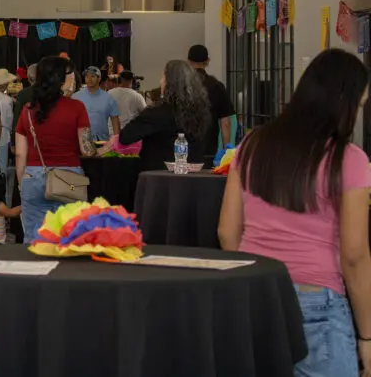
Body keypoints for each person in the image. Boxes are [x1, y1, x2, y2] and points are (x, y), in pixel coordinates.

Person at [218, 49, 371, 377]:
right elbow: (355, 255)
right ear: (345, 104)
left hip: (254, 294)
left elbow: (227, 231)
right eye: (359, 105)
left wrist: (251, 277)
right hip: (317, 302)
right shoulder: (351, 159)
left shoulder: (252, 144)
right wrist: (368, 336)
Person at [15, 56, 93, 239]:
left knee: (34, 239)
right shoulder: (77, 107)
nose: (73, 78)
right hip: (69, 178)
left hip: (33, 176)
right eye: (69, 75)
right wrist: (108, 146)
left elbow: (20, 154)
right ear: (59, 79)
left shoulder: (27, 109)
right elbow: (87, 149)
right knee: (70, 237)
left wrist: (22, 182)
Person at [118, 60, 210, 172]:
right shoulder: (201, 113)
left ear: (170, 84)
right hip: (193, 179)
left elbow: (125, 137)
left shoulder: (156, 114)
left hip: (159, 178)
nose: (160, 81)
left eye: (163, 77)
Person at [187, 44, 236, 157]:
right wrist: (226, 151)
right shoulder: (217, 86)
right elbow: (225, 123)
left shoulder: (183, 85)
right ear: (208, 61)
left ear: (188, 61)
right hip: (208, 149)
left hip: (183, 148)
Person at [72, 66, 121, 141]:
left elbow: (115, 120)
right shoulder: (75, 97)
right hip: (79, 141)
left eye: (93, 76)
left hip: (101, 141)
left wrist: (117, 140)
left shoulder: (108, 98)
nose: (89, 79)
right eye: (87, 76)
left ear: (99, 78)